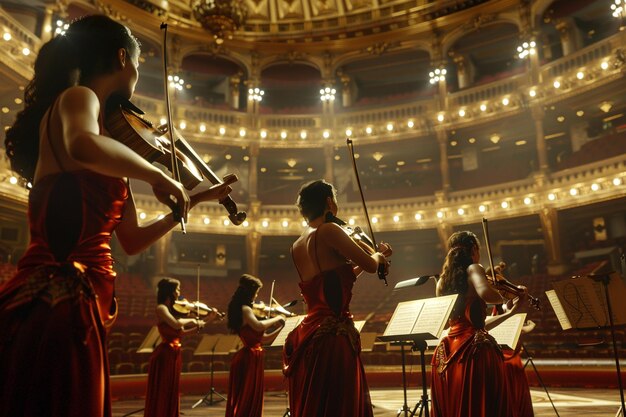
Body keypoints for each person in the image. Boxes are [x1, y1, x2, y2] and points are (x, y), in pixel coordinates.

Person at [0, 15, 232, 417]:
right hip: (59, 297)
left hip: (86, 300)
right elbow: (81, 144)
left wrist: (192, 202)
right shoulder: (79, 98)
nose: (138, 74)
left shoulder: (112, 148)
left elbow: (132, 239)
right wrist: (157, 172)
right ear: (123, 58)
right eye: (138, 64)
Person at [283, 179, 391, 417]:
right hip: (333, 334)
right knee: (339, 401)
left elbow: (336, 277)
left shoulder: (297, 244)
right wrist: (377, 254)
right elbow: (371, 265)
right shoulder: (330, 230)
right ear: (329, 202)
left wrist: (374, 256)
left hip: (310, 330)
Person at [430, 231, 527, 417]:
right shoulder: (474, 268)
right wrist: (508, 295)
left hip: (447, 349)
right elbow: (486, 294)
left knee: (453, 402)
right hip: (474, 351)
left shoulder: (441, 280)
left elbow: (476, 325)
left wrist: (511, 312)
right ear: (474, 249)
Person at [144, 278, 216, 417]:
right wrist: (193, 319)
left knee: (171, 388)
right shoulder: (161, 308)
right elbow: (176, 324)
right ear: (169, 292)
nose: (179, 293)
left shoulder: (174, 310)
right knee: (163, 389)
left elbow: (183, 333)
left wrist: (209, 319)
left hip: (174, 353)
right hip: (164, 355)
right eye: (177, 289)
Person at [225, 274, 285, 417]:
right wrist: (277, 318)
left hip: (254, 356)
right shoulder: (245, 309)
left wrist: (281, 328)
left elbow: (263, 339)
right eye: (256, 292)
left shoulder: (245, 310)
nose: (256, 296)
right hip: (248, 359)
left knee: (250, 397)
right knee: (246, 398)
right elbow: (258, 326)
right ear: (250, 292)